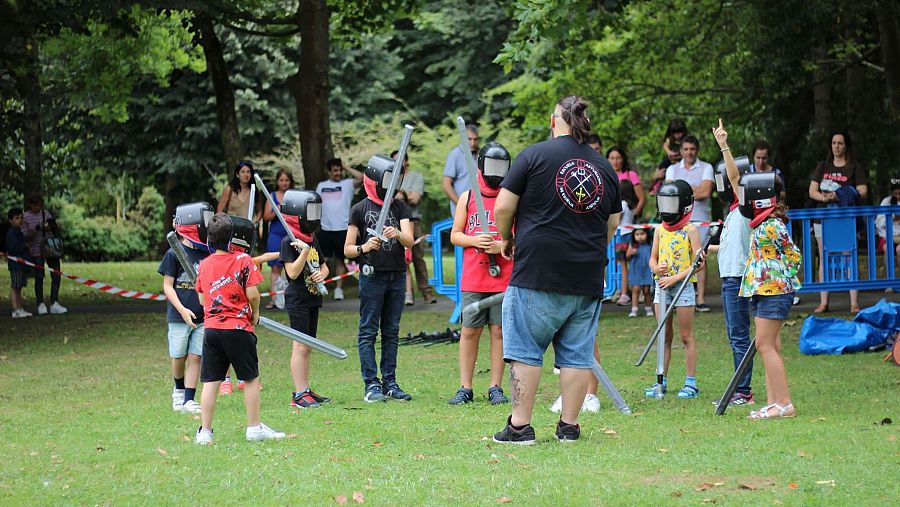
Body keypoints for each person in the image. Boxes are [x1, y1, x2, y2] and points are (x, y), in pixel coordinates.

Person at [492, 95, 621, 444]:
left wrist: (506, 238)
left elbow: (503, 206)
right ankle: (569, 427)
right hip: (587, 275)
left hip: (537, 270)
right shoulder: (604, 167)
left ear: (554, 122)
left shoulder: (534, 155)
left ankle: (520, 427)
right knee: (577, 355)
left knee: (525, 349)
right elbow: (613, 222)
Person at [720, 123, 801, 419]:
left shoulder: (770, 225)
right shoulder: (766, 223)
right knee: (771, 346)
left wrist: (783, 280)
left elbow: (793, 256)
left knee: (765, 345)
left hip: (772, 292)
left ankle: (784, 404)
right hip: (767, 292)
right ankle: (774, 402)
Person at [194, 213, 285, 444]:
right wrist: (255, 313)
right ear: (232, 237)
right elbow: (253, 293)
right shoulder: (243, 260)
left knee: (211, 381)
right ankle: (254, 428)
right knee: (251, 379)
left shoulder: (204, 265)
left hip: (212, 330)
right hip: (239, 328)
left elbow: (202, 299)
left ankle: (205, 432)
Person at [344, 155, 415, 403]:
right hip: (372, 277)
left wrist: (396, 233)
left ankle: (390, 382)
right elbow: (348, 249)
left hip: (396, 276)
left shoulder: (399, 207)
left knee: (391, 331)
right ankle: (371, 384)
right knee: (368, 331)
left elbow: (410, 240)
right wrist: (365, 247)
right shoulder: (359, 209)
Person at [448, 142, 513, 406]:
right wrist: (476, 241)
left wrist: (502, 246)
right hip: (474, 277)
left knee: (498, 331)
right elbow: (455, 235)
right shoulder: (467, 197)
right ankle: (465, 387)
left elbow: (518, 238)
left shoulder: (510, 199)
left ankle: (495, 386)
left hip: (503, 276)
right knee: (470, 330)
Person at [646, 180, 702, 399]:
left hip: (684, 288)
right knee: (663, 336)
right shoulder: (660, 230)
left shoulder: (691, 230)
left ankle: (691, 383)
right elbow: (652, 258)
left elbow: (698, 263)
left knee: (686, 336)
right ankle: (661, 380)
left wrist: (676, 278)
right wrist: (656, 268)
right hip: (662, 287)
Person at [710, 133, 754, 406]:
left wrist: (724, 145)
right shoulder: (733, 212)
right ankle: (740, 388)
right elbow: (732, 246)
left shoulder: (746, 206)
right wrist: (707, 251)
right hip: (729, 278)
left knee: (739, 336)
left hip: (737, 279)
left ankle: (743, 391)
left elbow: (736, 178)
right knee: (734, 335)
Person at [279, 189, 332, 409]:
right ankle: (299, 393)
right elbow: (292, 273)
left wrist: (323, 274)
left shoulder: (312, 239)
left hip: (313, 298)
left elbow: (324, 265)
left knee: (308, 346)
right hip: (298, 300)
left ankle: (306, 388)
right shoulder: (288, 242)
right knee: (300, 346)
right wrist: (303, 251)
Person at [158, 202, 212, 415]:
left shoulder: (207, 254)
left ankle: (189, 398)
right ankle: (178, 391)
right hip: (179, 316)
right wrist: (181, 309)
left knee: (196, 356)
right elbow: (167, 286)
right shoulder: (174, 254)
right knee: (179, 356)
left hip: (202, 315)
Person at [808, 131, 868, 313]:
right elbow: (812, 191)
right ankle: (824, 302)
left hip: (845, 219)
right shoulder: (822, 166)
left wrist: (841, 194)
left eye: (840, 143)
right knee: (824, 256)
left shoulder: (853, 166)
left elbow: (863, 190)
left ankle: (854, 303)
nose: (836, 146)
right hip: (823, 217)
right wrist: (826, 198)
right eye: (834, 143)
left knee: (849, 256)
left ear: (846, 146)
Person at [665, 135, 714, 312]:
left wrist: (683, 188)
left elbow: (705, 192)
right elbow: (670, 193)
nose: (689, 152)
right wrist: (694, 188)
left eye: (692, 149)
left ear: (697, 150)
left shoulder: (707, 167)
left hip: (700, 220)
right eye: (686, 149)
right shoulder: (671, 169)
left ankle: (700, 298)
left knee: (699, 258)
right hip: (678, 222)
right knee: (677, 257)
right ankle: (678, 298)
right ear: (681, 151)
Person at [316, 158, 363, 301]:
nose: (338, 173)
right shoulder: (321, 186)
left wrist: (346, 166)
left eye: (339, 170)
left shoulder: (347, 184)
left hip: (343, 229)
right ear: (329, 172)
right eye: (335, 170)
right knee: (320, 260)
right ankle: (318, 286)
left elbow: (362, 177)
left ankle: (338, 289)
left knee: (340, 260)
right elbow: (315, 205)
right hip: (325, 229)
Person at [394, 150, 436, 305]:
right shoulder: (390, 178)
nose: (397, 163)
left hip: (414, 221)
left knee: (417, 258)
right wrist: (406, 195)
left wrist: (401, 195)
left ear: (406, 161)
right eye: (394, 160)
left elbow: (415, 198)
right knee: (398, 259)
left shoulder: (416, 177)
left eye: (400, 160)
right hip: (393, 222)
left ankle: (427, 293)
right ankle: (405, 294)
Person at [22, 192, 66, 315]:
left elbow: (54, 227)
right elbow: (25, 236)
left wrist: (50, 226)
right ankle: (40, 303)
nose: (38, 207)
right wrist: (37, 229)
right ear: (30, 205)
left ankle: (54, 302)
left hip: (50, 249)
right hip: (36, 251)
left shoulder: (45, 213)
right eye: (36, 205)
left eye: (40, 205)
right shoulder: (25, 217)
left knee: (56, 274)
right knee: (39, 277)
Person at [262, 169, 296, 310]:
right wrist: (276, 210)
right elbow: (266, 217)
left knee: (291, 267)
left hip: (291, 235)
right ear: (277, 182)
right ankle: (274, 299)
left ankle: (290, 298)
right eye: (281, 180)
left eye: (286, 180)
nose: (284, 183)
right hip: (275, 235)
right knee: (275, 268)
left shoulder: (294, 196)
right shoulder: (272, 196)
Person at [442, 124, 479, 215]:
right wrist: (461, 205)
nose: (472, 143)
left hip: (479, 210)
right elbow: (446, 184)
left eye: (475, 139)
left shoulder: (481, 154)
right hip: (462, 212)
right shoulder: (455, 154)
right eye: (469, 139)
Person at [614, 181, 639, 306]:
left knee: (622, 266)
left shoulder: (622, 204)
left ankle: (623, 293)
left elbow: (616, 220)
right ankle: (632, 290)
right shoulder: (632, 205)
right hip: (630, 234)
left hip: (621, 236)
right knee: (631, 265)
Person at [650, 119, 688, 195]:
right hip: (670, 159)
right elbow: (665, 145)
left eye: (679, 132)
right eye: (675, 133)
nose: (677, 135)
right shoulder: (670, 139)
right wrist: (669, 152)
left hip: (681, 160)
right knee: (662, 168)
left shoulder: (686, 140)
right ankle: (656, 185)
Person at [6, 207, 32, 318]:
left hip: (21, 263)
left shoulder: (19, 232)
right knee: (15, 287)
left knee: (19, 287)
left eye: (21, 218)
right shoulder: (12, 233)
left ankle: (20, 308)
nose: (20, 220)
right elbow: (13, 248)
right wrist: (24, 246)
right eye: (17, 218)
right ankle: (15, 310)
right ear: (11, 220)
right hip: (15, 264)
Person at [625, 227, 654, 318]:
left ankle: (648, 308)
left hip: (647, 270)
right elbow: (627, 257)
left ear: (647, 234)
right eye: (637, 234)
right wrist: (630, 253)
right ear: (633, 236)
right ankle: (634, 309)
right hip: (636, 270)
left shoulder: (650, 244)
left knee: (646, 290)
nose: (640, 237)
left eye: (642, 234)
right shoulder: (632, 245)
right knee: (636, 289)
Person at [875, 179, 900, 256]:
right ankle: (888, 268)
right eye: (896, 194)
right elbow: (878, 223)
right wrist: (891, 218)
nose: (898, 196)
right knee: (887, 248)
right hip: (887, 235)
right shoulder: (886, 202)